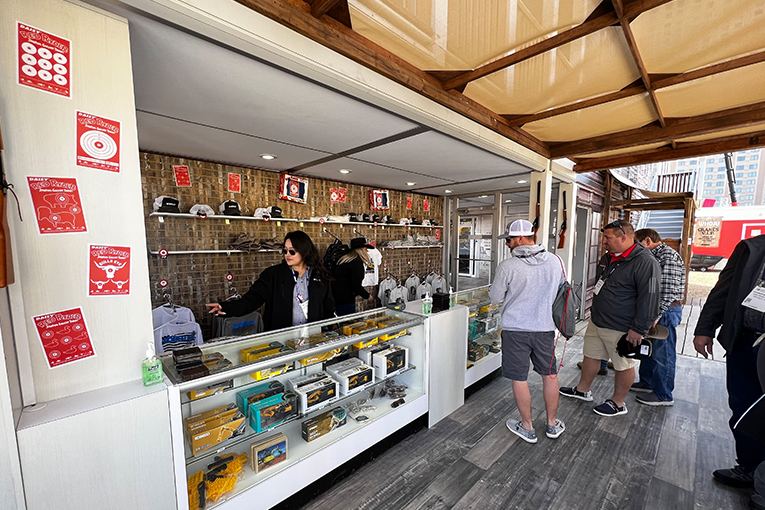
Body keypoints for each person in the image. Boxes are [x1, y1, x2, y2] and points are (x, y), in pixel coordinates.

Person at [560, 220, 660, 416]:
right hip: (598, 321)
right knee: (591, 356)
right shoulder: (609, 257)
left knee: (623, 364)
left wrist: (639, 329)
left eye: (608, 237)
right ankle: (582, 390)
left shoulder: (645, 262)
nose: (604, 241)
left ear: (624, 238)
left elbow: (650, 297)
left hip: (622, 326)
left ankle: (618, 402)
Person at [693, 234, 765, 489]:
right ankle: (748, 467)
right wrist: (705, 328)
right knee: (742, 405)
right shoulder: (750, 248)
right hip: (744, 341)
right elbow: (723, 290)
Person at [489, 219, 566, 443]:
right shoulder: (555, 261)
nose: (508, 244)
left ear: (521, 238)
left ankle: (527, 427)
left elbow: (495, 297)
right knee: (550, 375)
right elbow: (562, 289)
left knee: (519, 378)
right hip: (544, 329)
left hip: (515, 330)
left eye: (510, 239)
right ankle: (552, 424)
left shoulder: (508, 266)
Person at [206, 230, 335, 330]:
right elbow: (251, 300)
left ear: (304, 251)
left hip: (313, 337)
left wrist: (329, 331)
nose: (287, 255)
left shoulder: (319, 275)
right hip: (282, 339)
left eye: (292, 251)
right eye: (285, 251)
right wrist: (227, 308)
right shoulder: (273, 275)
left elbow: (328, 307)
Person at [630, 228, 685, 406]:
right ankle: (647, 382)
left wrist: (655, 315)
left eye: (637, 243)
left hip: (665, 311)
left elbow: (667, 291)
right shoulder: (653, 257)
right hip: (653, 310)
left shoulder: (668, 256)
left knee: (664, 353)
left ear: (647, 241)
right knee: (650, 349)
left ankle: (663, 394)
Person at [331, 237, 376, 315]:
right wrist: (368, 296)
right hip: (345, 300)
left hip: (336, 298)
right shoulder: (356, 263)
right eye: (365, 248)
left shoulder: (345, 260)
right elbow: (356, 285)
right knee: (349, 324)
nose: (367, 251)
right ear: (361, 250)